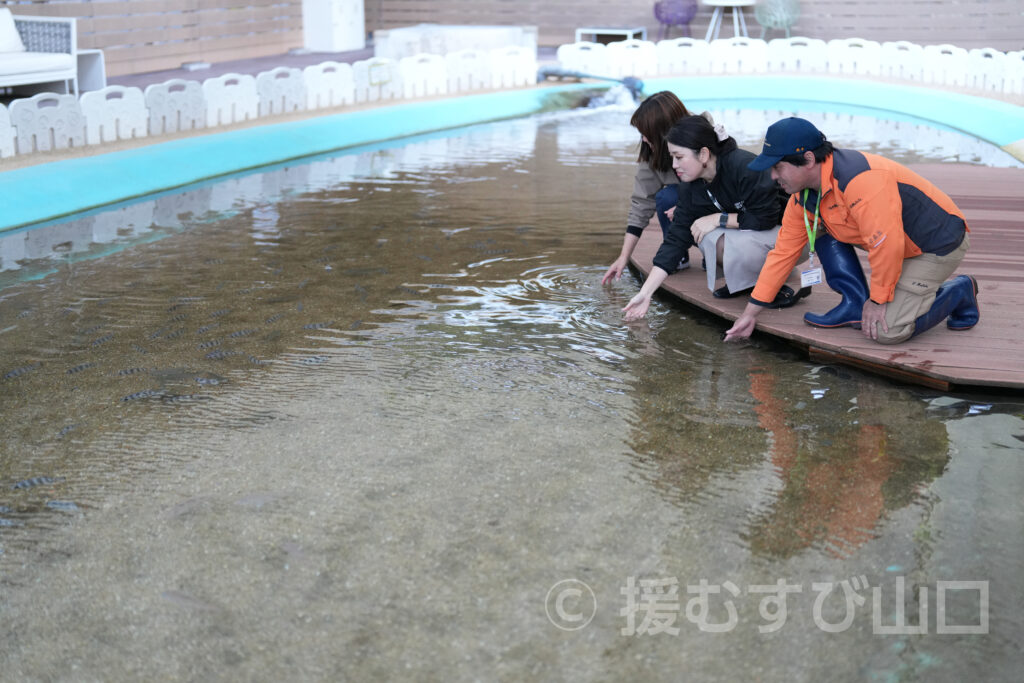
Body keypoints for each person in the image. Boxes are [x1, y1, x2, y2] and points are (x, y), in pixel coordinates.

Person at [724, 117, 978, 344]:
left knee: (887, 331)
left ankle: (959, 290)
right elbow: (783, 254)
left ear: (809, 159)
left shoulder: (860, 180)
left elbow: (886, 245)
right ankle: (854, 302)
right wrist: (750, 314)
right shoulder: (802, 198)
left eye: (777, 167)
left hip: (935, 245)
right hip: (896, 243)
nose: (771, 176)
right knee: (819, 226)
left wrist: (878, 301)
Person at [622, 114, 809, 322]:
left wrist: (719, 219)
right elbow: (676, 240)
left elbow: (765, 218)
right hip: (756, 237)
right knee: (706, 235)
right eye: (672, 157)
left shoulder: (742, 166)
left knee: (721, 237)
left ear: (703, 154)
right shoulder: (690, 185)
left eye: (679, 156)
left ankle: (774, 281)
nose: (674, 164)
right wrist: (646, 293)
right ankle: (749, 282)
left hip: (790, 239)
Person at [602, 91, 692, 285]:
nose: (643, 139)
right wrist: (623, 257)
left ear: (664, 132)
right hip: (686, 201)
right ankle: (677, 254)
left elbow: (719, 182)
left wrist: (690, 204)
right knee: (666, 197)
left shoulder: (704, 137)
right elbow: (641, 203)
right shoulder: (653, 150)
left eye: (647, 134)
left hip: (719, 206)